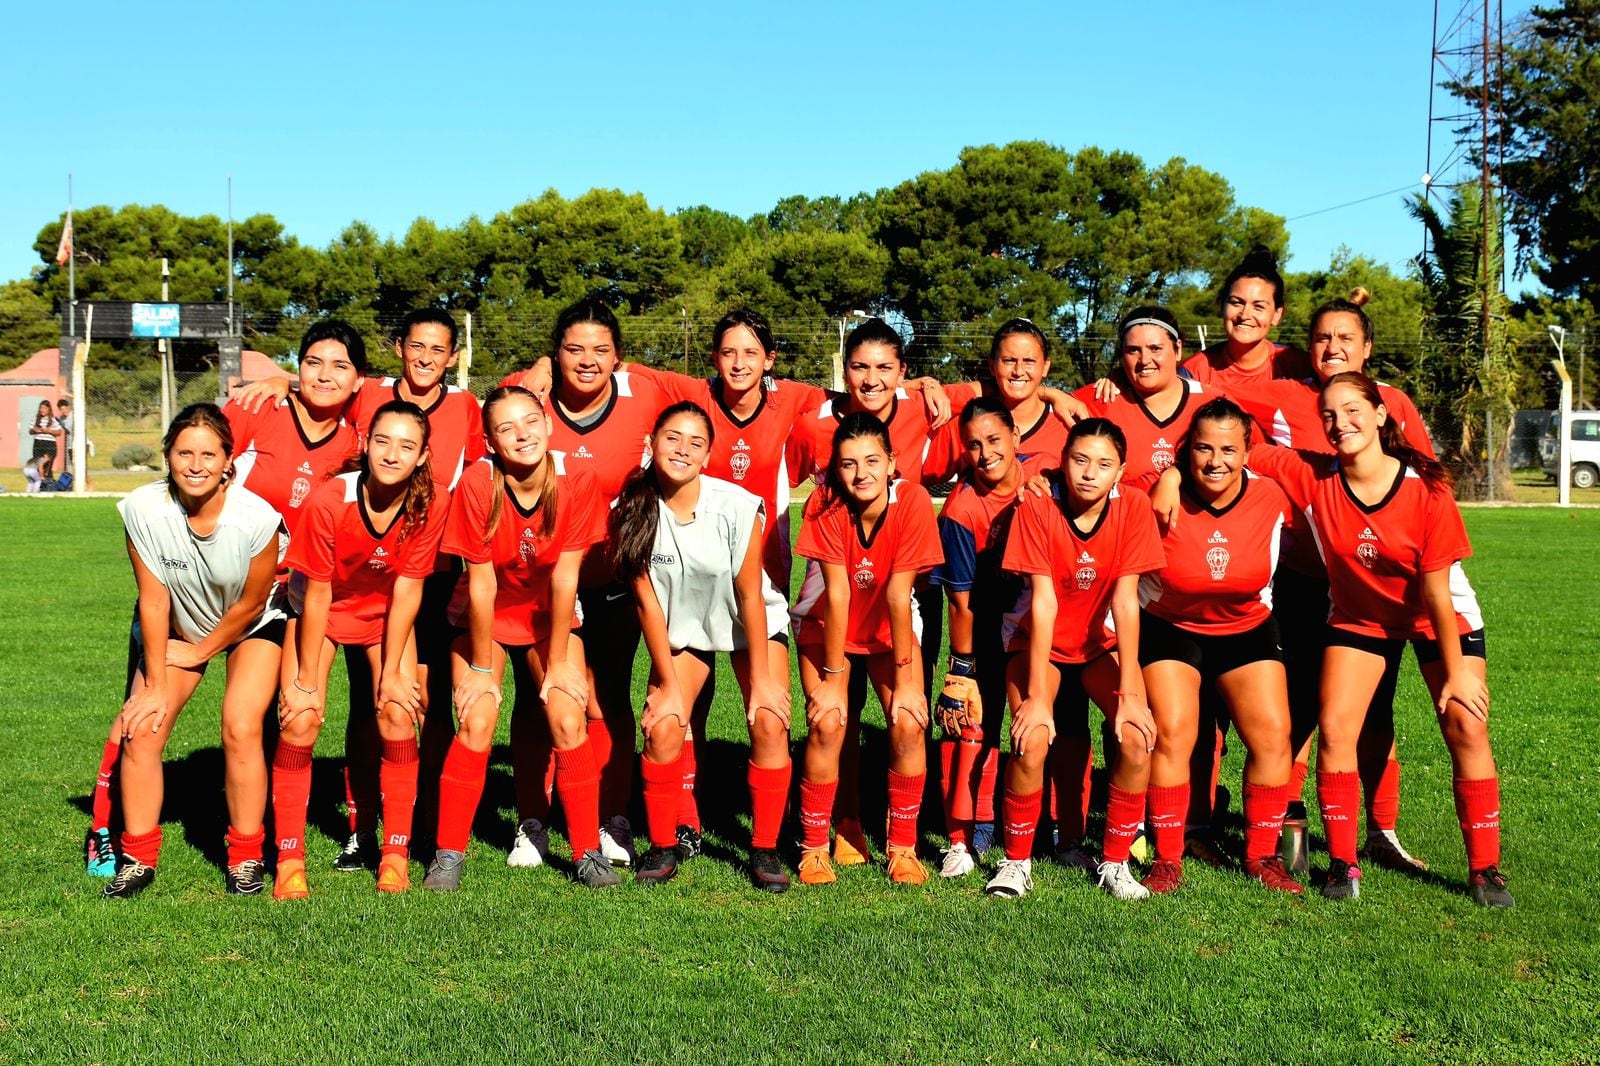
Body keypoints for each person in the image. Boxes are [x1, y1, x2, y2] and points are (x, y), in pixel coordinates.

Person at [1242, 372, 1510, 906]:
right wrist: (1175, 475)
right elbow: (1238, 446)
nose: (1340, 423)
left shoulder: (1424, 488)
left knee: (1464, 726)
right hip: (1360, 620)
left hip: (1441, 619)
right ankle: (1343, 866)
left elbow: (1435, 592)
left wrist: (1456, 672)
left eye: (1353, 410)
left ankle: (1485, 870)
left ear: (1382, 414)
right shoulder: (1312, 477)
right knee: (1337, 728)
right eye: (1329, 416)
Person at [1230, 292, 1436, 873]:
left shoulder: (1391, 404)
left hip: (1372, 589)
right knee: (1297, 706)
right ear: (1306, 345)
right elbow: (1202, 395)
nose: (1333, 347)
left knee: (1373, 712)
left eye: (1346, 337)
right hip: (1300, 579)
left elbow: (1424, 484)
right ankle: (1287, 834)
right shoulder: (1280, 393)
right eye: (1322, 337)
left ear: (1368, 348)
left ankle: (1381, 832)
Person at [420, 386, 613, 890]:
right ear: (489, 440)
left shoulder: (578, 478)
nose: (522, 434)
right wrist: (482, 670)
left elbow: (565, 578)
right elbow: (481, 583)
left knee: (568, 713)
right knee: (478, 715)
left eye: (530, 421)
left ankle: (589, 852)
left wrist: (560, 663)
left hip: (548, 614)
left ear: (548, 424)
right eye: (506, 427)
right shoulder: (479, 482)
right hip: (484, 614)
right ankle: (448, 855)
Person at [98, 403, 287, 898]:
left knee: (241, 726)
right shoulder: (142, 508)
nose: (196, 464)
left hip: (249, 628)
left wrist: (203, 649)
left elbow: (251, 604)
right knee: (143, 727)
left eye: (210, 453)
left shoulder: (257, 519)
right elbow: (154, 598)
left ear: (230, 460)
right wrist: (158, 682)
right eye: (185, 452)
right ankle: (137, 857)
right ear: (168, 455)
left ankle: (246, 856)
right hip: (178, 627)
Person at [610, 402, 794, 889]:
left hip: (745, 622)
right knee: (664, 726)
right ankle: (665, 844)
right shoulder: (631, 509)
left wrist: (760, 684)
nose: (682, 450)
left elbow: (750, 594)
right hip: (681, 630)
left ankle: (765, 849)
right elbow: (648, 605)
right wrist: (668, 684)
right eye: (673, 438)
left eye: (695, 443)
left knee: (769, 721)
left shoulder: (736, 504)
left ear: (709, 454)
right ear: (652, 443)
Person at [268, 401, 447, 898]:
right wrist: (305, 679)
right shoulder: (331, 499)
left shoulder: (430, 501)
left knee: (396, 709)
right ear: (366, 444)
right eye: (383, 441)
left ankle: (394, 852)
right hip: (320, 612)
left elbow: (410, 587)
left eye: (407, 445)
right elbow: (318, 592)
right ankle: (289, 858)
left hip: (385, 616)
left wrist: (392, 670)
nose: (392, 454)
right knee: (301, 716)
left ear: (423, 456)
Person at [988, 419, 1162, 901]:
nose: (1090, 473)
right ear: (1063, 460)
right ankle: (1016, 861)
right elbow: (1042, 602)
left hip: (1097, 646)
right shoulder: (1039, 506)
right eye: (1080, 460)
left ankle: (1115, 862)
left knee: (1135, 736)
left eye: (1104, 464)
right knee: (1032, 736)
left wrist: (1130, 696)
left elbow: (1127, 603)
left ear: (1121, 472)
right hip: (1036, 642)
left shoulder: (1134, 508)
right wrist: (1038, 699)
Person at [1136, 398, 1302, 894]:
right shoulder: (1156, 491)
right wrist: (1166, 475)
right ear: (1188, 451)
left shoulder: (1273, 496)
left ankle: (1261, 856)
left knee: (1274, 735)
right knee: (1174, 732)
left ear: (1248, 451)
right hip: (1170, 626)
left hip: (1246, 626)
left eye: (1229, 449)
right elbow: (1092, 480)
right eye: (1204, 448)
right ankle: (1167, 857)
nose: (1216, 461)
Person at [791, 412, 943, 886]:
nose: (862, 474)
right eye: (849, 463)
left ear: (893, 462)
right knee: (828, 722)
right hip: (825, 626)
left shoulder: (914, 501)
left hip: (886, 630)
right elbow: (836, 594)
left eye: (873, 461)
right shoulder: (825, 502)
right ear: (835, 469)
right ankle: (814, 848)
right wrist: (834, 680)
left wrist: (907, 683)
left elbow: (900, 595)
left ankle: (902, 847)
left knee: (908, 721)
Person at [929, 397, 1048, 877]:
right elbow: (959, 600)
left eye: (994, 440)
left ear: (1016, 437)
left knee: (1032, 725)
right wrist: (962, 671)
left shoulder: (1045, 478)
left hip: (1036, 627)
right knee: (971, 727)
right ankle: (964, 838)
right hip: (980, 628)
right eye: (973, 445)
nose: (985, 453)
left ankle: (1050, 830)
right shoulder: (960, 509)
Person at [225, 321, 365, 537]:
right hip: (229, 566)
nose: (324, 375)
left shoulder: (357, 442)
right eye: (313, 362)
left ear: (359, 380)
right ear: (299, 367)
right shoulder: (256, 406)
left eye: (340, 366)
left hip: (303, 571)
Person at [1180, 245, 1311, 397]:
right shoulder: (1194, 372)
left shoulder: (1301, 368)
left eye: (1258, 306)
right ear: (1221, 305)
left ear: (1277, 314)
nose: (1244, 315)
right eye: (1236, 303)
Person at [29, 401, 59, 480]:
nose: (42, 410)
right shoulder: (35, 419)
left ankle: (47, 481)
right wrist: (34, 430)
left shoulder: (53, 420)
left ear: (49, 409)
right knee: (39, 466)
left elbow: (59, 432)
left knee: (47, 465)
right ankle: (41, 481)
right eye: (41, 408)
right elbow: (30, 431)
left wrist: (49, 431)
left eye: (44, 408)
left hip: (49, 443)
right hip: (38, 443)